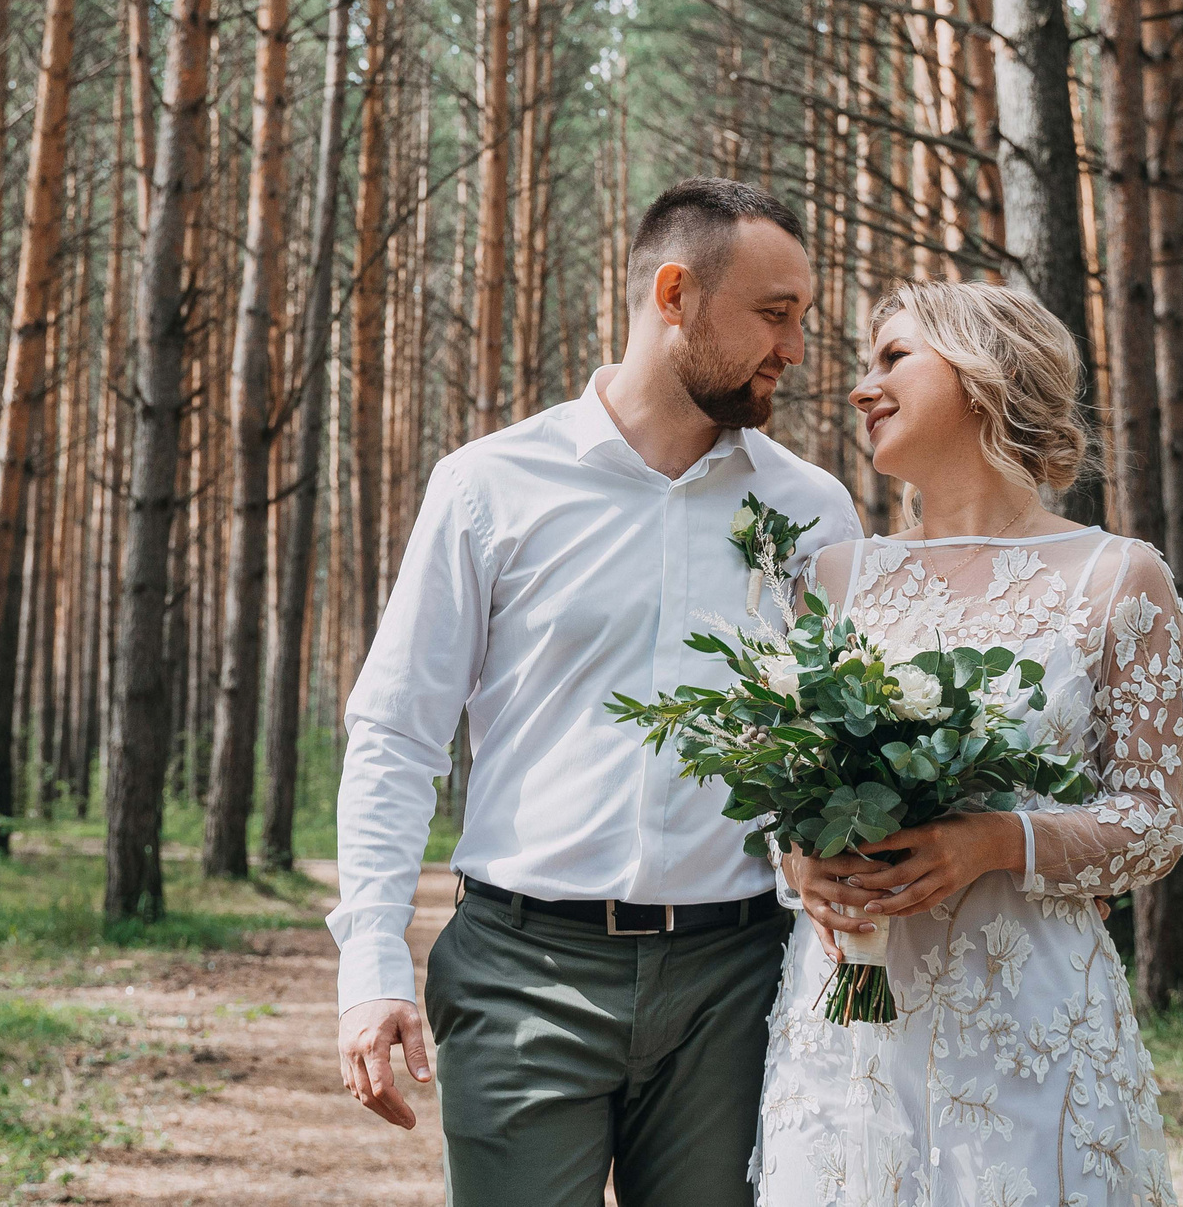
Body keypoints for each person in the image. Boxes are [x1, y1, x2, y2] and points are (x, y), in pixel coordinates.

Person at [331, 177, 863, 1207]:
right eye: (774, 314)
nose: (794, 350)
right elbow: (397, 734)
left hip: (736, 980)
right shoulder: (489, 486)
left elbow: (838, 743)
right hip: (522, 972)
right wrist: (371, 969)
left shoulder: (812, 509)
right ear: (675, 294)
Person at [764, 279, 1183, 1207]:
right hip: (854, 1024)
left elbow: (1155, 822)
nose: (861, 387)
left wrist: (998, 843)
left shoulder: (1118, 575)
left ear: (982, 373)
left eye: (893, 358)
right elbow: (783, 797)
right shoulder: (838, 578)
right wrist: (804, 861)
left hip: (1031, 1018)